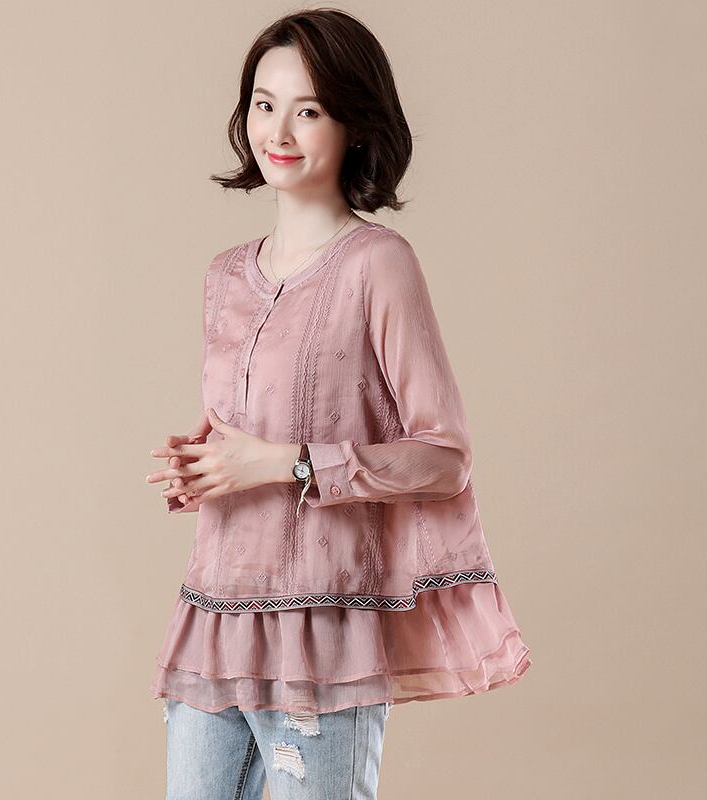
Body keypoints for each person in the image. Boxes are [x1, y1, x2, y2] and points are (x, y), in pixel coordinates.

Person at [145, 8, 532, 799]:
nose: (279, 130)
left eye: (310, 110)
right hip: (215, 615)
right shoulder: (224, 276)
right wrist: (207, 469)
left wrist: (286, 464)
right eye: (264, 103)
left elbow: (445, 459)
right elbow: (248, 436)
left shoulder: (378, 264)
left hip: (323, 628)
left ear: (354, 124)